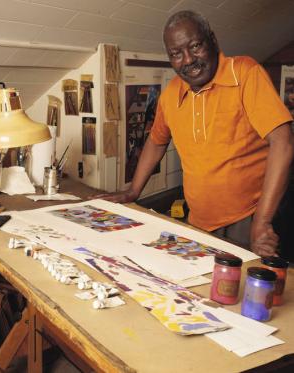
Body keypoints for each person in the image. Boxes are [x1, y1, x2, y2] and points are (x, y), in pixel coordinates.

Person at [99, 10, 294, 257]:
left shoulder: (244, 72)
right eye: (176, 54)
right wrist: (133, 191)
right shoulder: (171, 93)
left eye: (195, 46)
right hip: (200, 222)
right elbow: (157, 142)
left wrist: (263, 221)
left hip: (250, 218)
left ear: (212, 40)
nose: (188, 59)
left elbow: (283, 141)